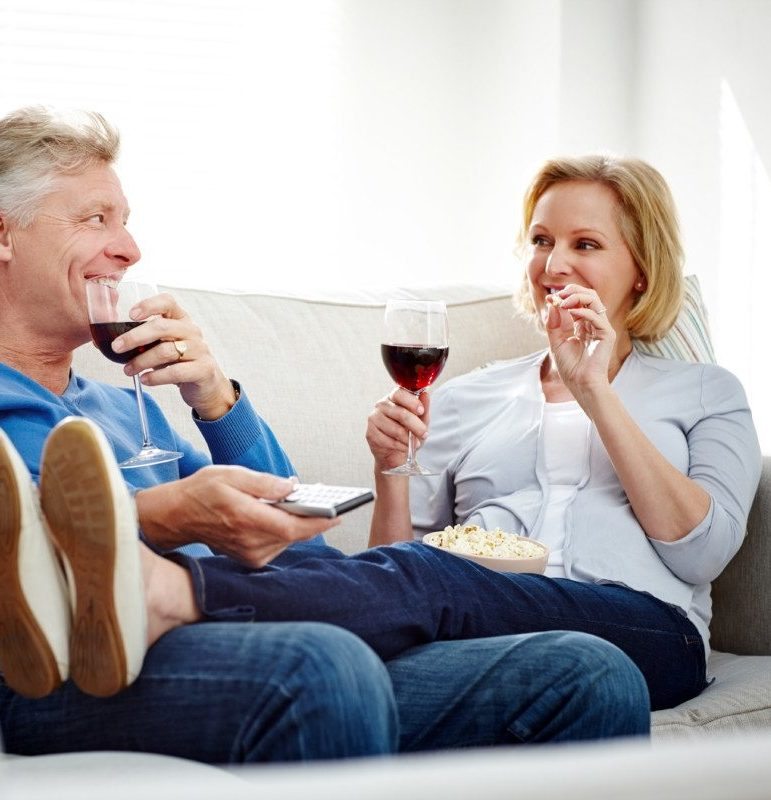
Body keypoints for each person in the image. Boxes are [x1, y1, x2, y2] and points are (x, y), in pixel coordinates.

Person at [0, 106, 650, 761]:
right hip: (62, 671)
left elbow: (295, 535)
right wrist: (164, 520)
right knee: (326, 664)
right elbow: (26, 553)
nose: (129, 248)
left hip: (235, 628)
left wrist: (216, 399)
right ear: (4, 234)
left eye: (126, 222)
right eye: (95, 219)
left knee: (586, 673)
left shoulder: (117, 407)